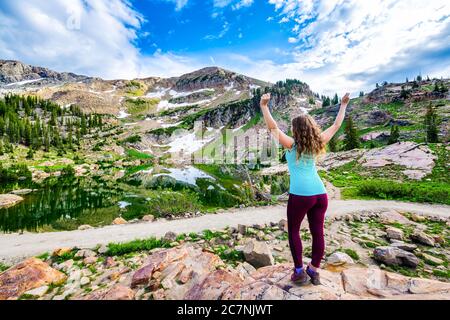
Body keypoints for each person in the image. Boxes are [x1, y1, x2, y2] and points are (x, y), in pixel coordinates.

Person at [260, 92, 350, 285]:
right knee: (317, 231)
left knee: (293, 231)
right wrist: (343, 105)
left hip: (301, 195)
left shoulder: (292, 145)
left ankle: (299, 272)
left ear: (295, 130)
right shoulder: (318, 142)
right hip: (320, 194)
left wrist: (264, 107)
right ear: (310, 128)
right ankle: (314, 270)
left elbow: (273, 127)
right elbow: (336, 126)